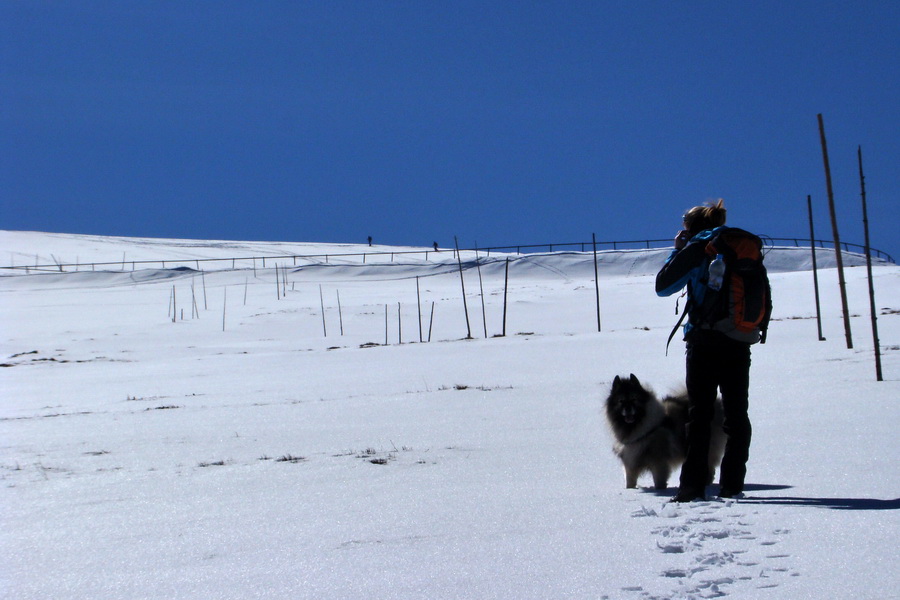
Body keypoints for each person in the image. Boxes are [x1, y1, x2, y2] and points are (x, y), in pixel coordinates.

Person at [655, 199, 766, 502]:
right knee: (736, 413)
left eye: (685, 224)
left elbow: (663, 286)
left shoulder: (699, 246)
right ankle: (733, 484)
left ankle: (691, 486)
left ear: (694, 227)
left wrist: (678, 249)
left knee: (700, 414)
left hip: (704, 340)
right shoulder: (743, 246)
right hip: (740, 339)